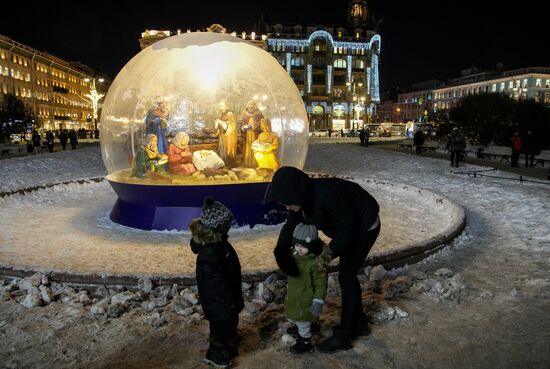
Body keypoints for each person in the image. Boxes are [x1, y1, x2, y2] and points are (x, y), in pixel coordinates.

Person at [270, 166, 381, 352]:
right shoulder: (303, 198)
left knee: (346, 275)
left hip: (364, 226)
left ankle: (344, 335)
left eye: (288, 202)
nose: (287, 207)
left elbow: (348, 231)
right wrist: (281, 251)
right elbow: (291, 224)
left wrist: (324, 256)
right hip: (347, 226)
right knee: (347, 274)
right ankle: (359, 324)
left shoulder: (328, 197)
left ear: (297, 195)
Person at [189, 196, 244, 369]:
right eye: (227, 223)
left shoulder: (218, 243)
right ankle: (214, 353)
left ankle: (225, 345)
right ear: (218, 225)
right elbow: (215, 282)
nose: (229, 225)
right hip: (219, 300)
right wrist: (228, 299)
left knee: (227, 323)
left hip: (223, 297)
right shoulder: (210, 252)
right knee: (223, 326)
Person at [283, 223, 327, 354]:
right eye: (297, 245)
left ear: (312, 246)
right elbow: (287, 267)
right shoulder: (294, 256)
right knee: (299, 316)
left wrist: (318, 300)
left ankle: (305, 342)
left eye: (303, 246)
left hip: (307, 299)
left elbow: (321, 283)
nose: (299, 249)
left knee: (303, 320)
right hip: (294, 296)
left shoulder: (316, 263)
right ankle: (312, 325)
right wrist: (277, 273)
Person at [240, 100, 264, 167]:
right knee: (247, 147)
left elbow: (261, 123)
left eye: (252, 106)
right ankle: (247, 162)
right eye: (249, 106)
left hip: (255, 134)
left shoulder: (259, 114)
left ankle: (255, 162)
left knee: (255, 147)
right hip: (247, 134)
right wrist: (243, 127)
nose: (250, 107)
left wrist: (255, 126)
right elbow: (243, 122)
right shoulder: (245, 114)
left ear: (254, 107)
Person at [215, 101, 238, 167]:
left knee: (228, 150)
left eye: (222, 105)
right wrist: (218, 124)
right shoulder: (222, 115)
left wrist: (221, 123)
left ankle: (229, 164)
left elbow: (232, 125)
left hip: (229, 136)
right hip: (222, 135)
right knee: (222, 150)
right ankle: (223, 163)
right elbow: (221, 125)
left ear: (226, 106)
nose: (220, 107)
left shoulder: (230, 114)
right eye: (220, 106)